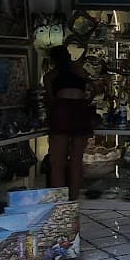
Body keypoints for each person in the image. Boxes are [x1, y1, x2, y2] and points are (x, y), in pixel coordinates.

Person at [44, 45, 96, 201]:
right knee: (76, 161)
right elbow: (93, 89)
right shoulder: (79, 70)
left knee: (57, 163)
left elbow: (51, 98)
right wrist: (85, 102)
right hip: (80, 110)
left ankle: (60, 203)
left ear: (53, 60)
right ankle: (73, 199)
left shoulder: (51, 76)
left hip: (61, 111)